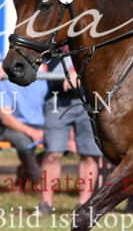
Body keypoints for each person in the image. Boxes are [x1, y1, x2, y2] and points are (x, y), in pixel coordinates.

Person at [40, 57, 101, 215]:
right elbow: (31, 51)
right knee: (53, 153)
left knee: (90, 155)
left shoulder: (94, 33)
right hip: (57, 100)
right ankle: (46, 204)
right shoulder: (56, 35)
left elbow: (102, 54)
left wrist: (77, 70)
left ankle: (83, 205)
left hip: (89, 99)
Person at [0, 68, 48, 192]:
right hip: (12, 128)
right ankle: (39, 185)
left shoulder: (43, 78)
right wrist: (31, 131)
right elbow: (6, 118)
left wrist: (44, 129)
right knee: (26, 145)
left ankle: (23, 173)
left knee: (60, 144)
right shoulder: (4, 79)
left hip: (41, 127)